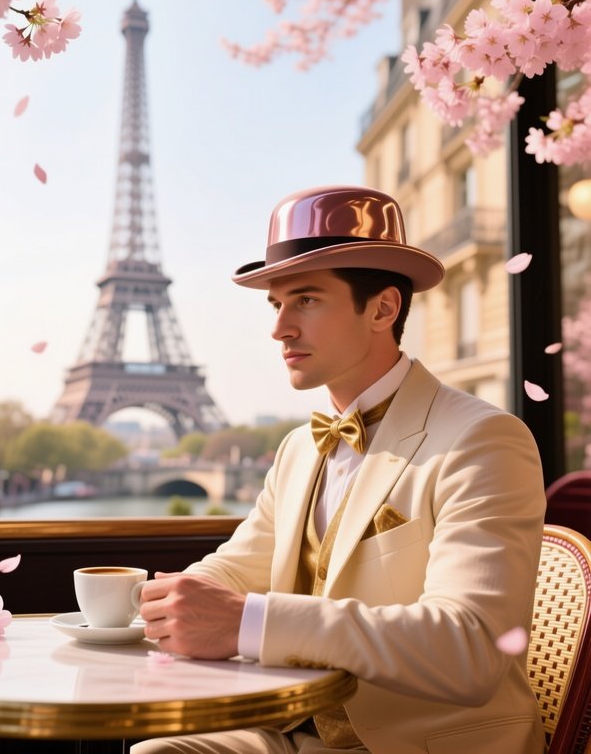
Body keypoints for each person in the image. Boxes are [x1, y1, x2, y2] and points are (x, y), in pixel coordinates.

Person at [132, 185, 546, 754]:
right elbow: (233, 570)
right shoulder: (299, 447)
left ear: (382, 308)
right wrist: (153, 603)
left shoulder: (484, 440)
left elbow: (473, 648)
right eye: (275, 305)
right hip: (287, 729)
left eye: (305, 300)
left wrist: (250, 622)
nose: (279, 328)